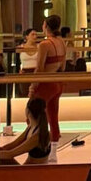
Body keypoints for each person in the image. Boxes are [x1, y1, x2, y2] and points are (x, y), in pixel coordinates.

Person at [29, 15, 66, 145]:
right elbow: (63, 66)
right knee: (53, 117)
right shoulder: (61, 42)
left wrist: (33, 86)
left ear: (45, 26)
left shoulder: (44, 45)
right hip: (57, 83)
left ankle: (36, 144)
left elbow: (39, 68)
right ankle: (53, 148)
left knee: (32, 113)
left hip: (46, 84)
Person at [0, 97, 51, 165]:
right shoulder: (31, 127)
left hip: (34, 171)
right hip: (26, 167)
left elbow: (11, 154)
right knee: (0, 156)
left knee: (0, 158)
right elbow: (13, 144)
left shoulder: (37, 136)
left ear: (28, 111)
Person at [16, 28, 39, 96]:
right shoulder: (20, 48)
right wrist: (18, 70)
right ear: (27, 36)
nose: (35, 36)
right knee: (24, 93)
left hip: (36, 72)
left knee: (36, 93)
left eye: (36, 35)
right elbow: (16, 61)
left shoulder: (39, 47)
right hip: (25, 72)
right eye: (32, 34)